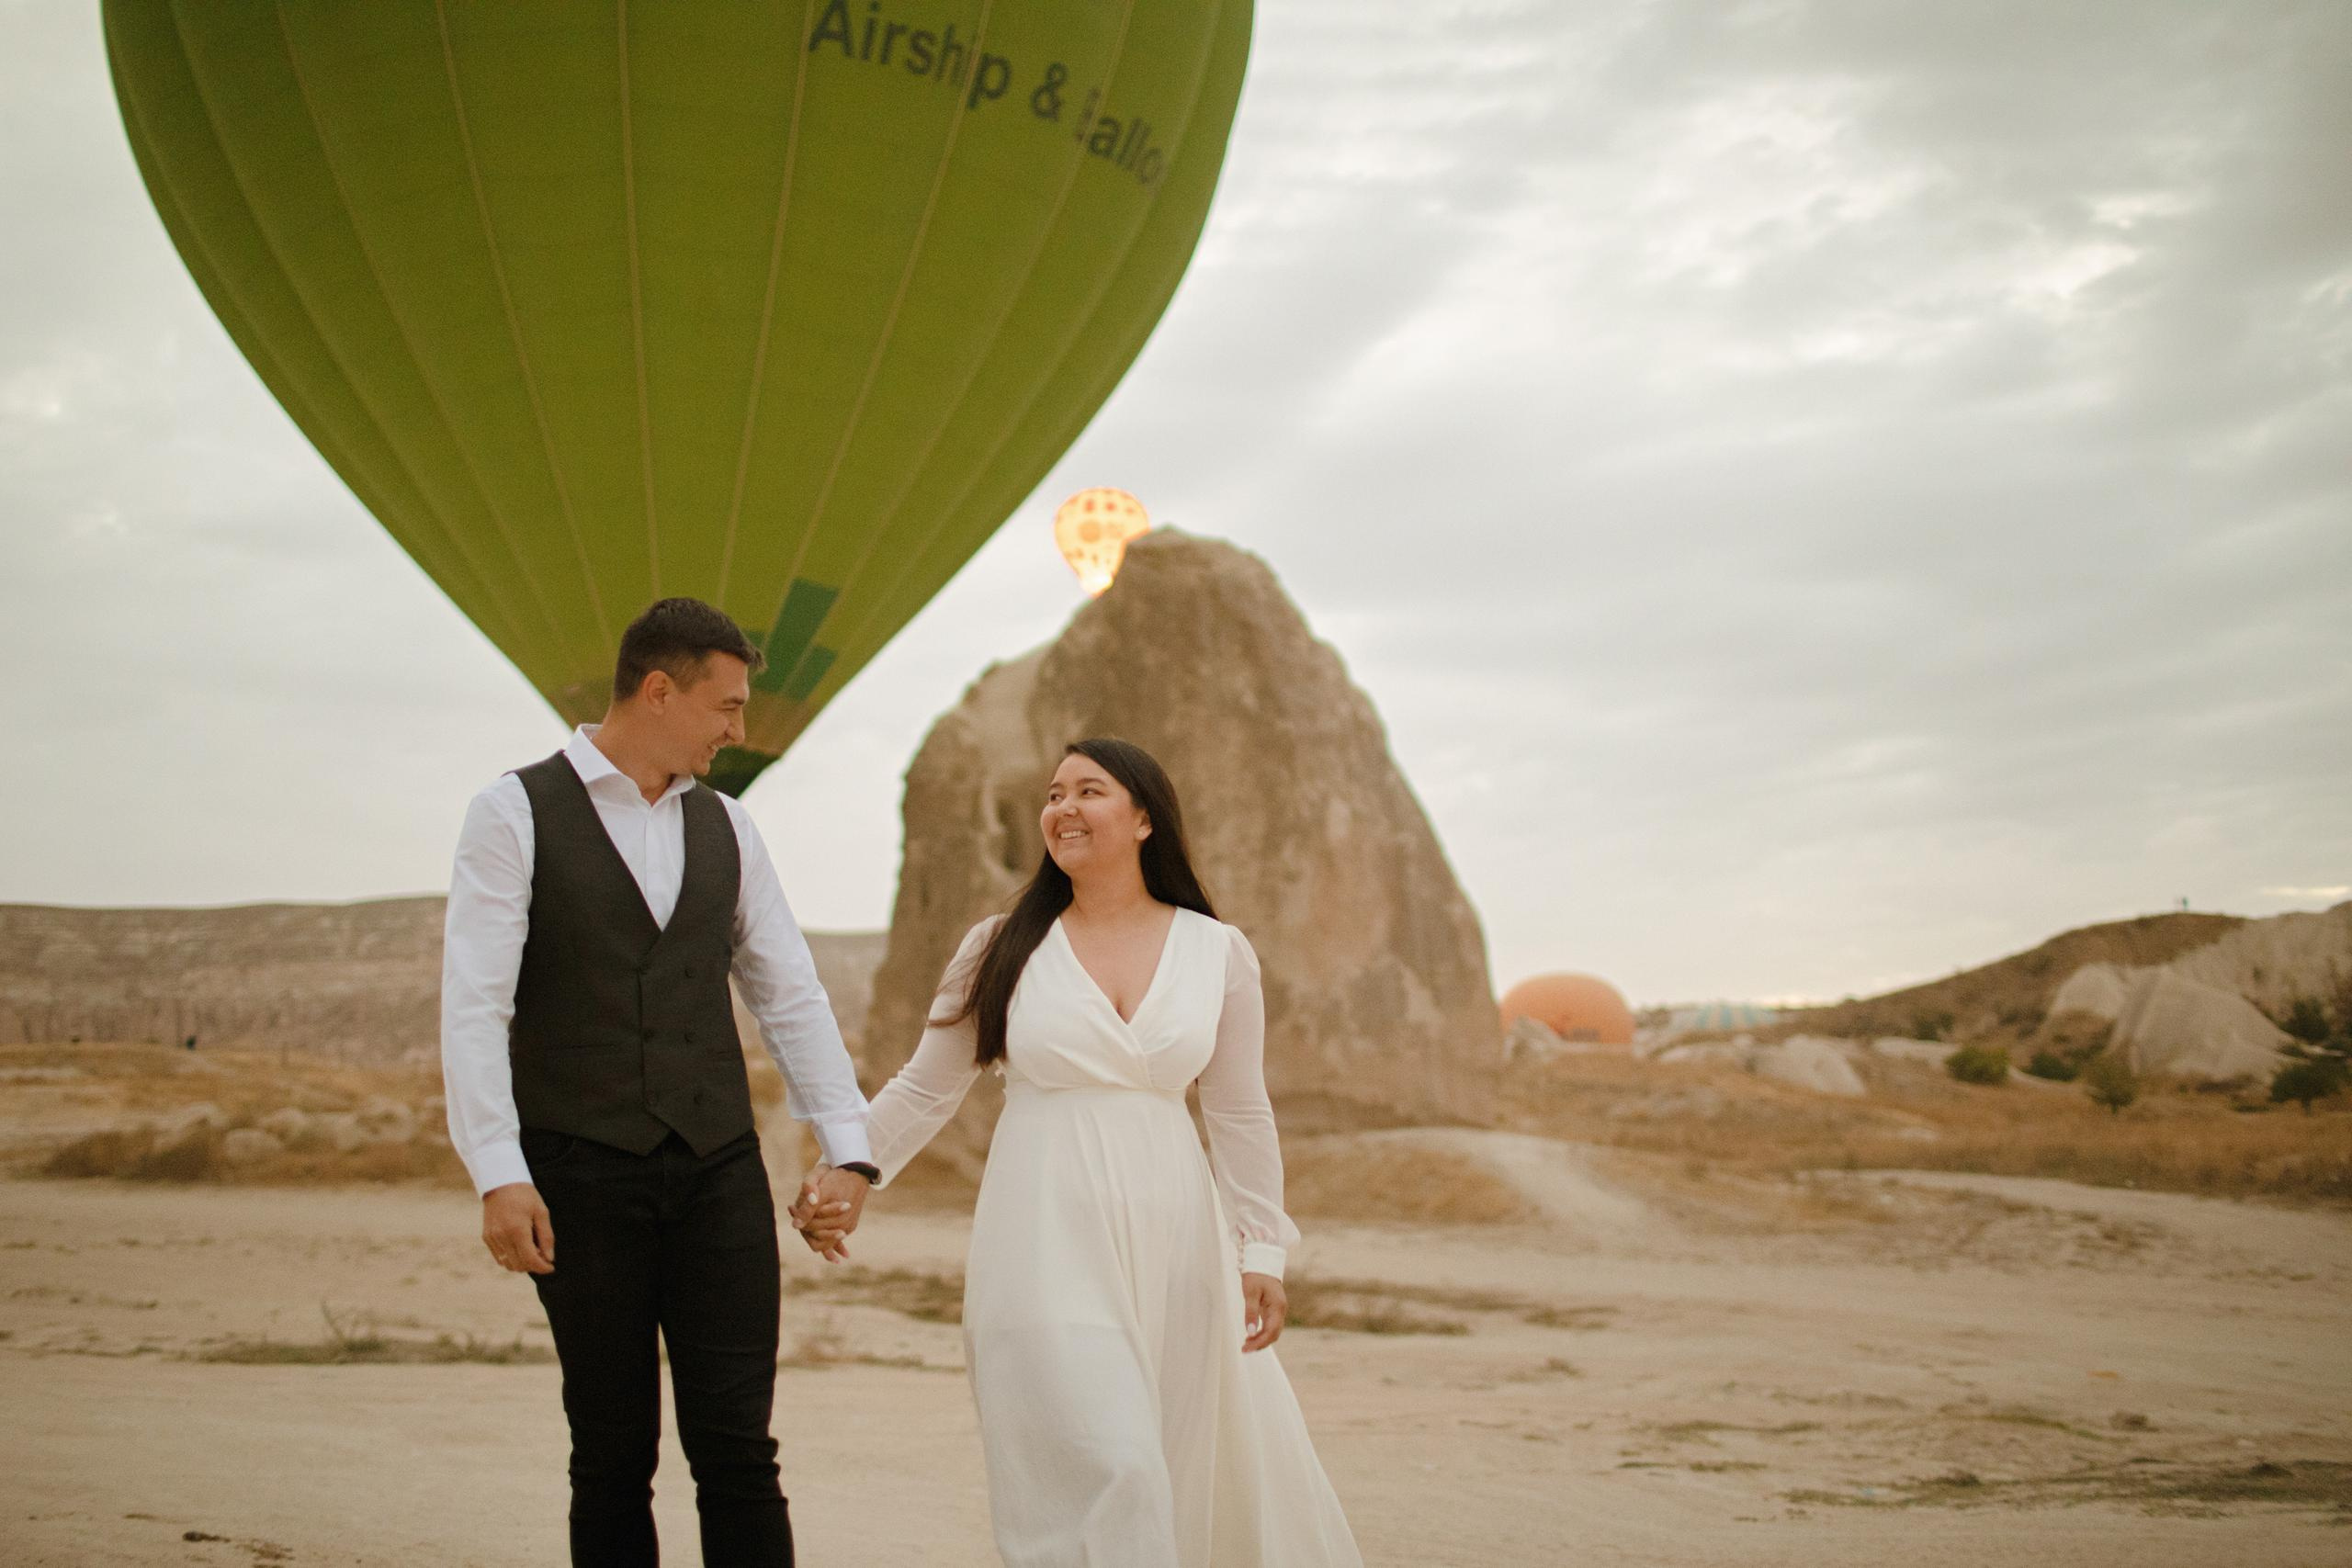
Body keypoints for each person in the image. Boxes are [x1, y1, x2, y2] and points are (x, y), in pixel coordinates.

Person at [793, 738, 1363, 1568]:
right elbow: (925, 1087)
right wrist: (848, 1166)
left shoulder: (1218, 951)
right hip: (1041, 1231)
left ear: (1142, 818)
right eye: (1053, 794)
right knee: (1112, 1463)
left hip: (1178, 1237)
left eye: (1088, 791)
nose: (1062, 808)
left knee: (1171, 1461)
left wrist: (1262, 1246)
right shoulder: (999, 946)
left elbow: (1240, 1109)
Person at [439, 597, 876, 1568]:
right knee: (608, 1454)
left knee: (737, 1451)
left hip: (717, 1172)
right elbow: (474, 1006)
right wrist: (496, 1170)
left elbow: (788, 994)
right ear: (658, 690)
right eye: (726, 706)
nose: (740, 729)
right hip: (576, 1175)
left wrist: (847, 1147)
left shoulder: (729, 827)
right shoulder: (511, 812)